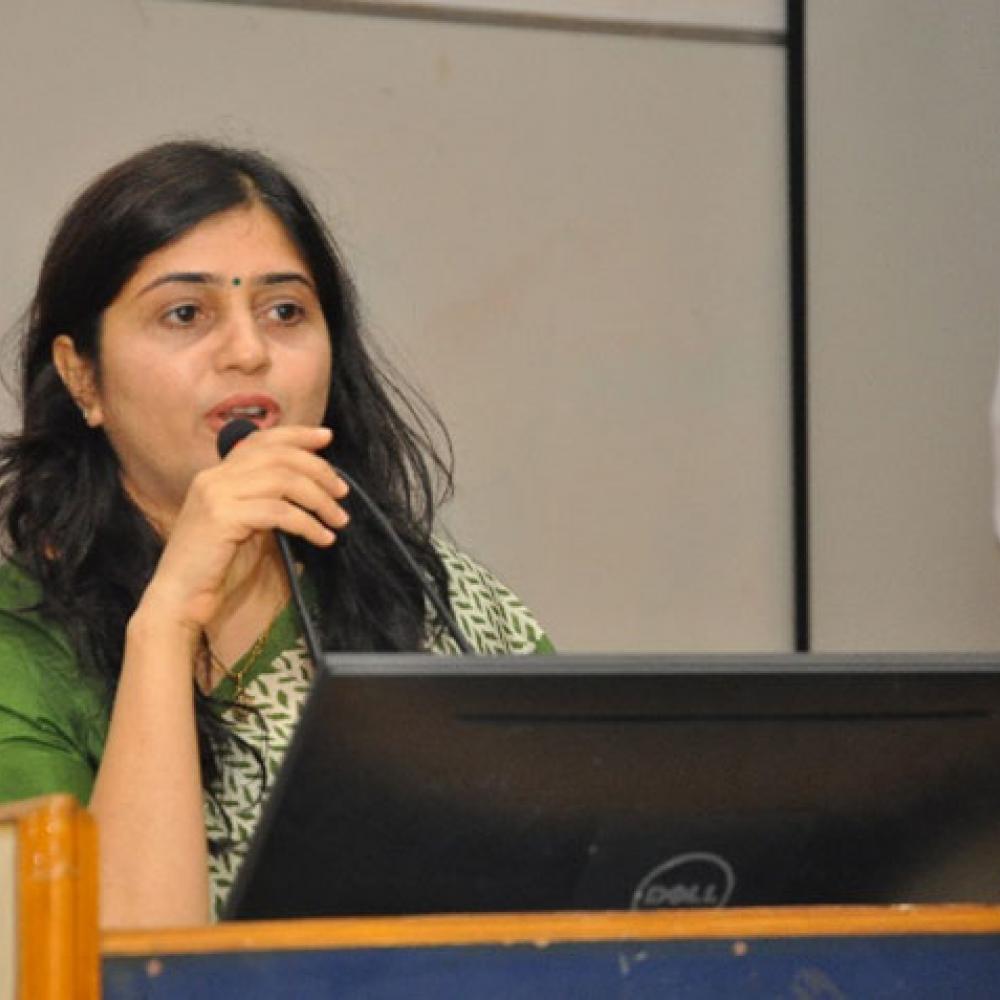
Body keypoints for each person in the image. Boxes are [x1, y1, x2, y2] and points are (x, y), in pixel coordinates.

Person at [0, 140, 552, 928]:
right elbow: (125, 969)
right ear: (83, 376)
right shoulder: (18, 650)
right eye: (185, 314)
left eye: (285, 310)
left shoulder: (437, 598)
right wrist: (166, 623)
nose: (249, 351)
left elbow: (584, 885)